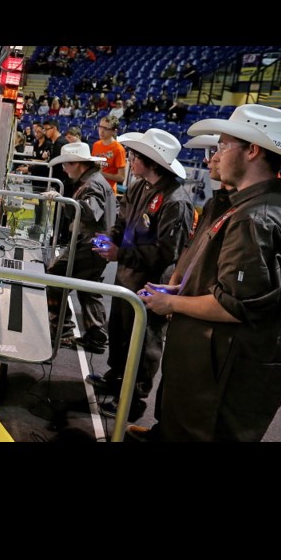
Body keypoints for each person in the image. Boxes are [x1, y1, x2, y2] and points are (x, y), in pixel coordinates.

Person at [138, 105, 281, 441]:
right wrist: (179, 291)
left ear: (252, 150)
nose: (216, 155)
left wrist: (172, 305)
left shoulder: (256, 218)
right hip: (212, 364)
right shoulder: (245, 207)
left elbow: (233, 304)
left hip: (224, 373)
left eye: (223, 145)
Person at [87, 128, 194, 421]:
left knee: (145, 344)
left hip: (151, 284)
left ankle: (134, 401)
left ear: (152, 162)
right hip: (126, 277)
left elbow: (166, 254)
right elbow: (121, 221)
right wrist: (110, 240)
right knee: (120, 333)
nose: (130, 161)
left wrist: (119, 253)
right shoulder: (138, 186)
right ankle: (115, 377)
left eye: (135, 157)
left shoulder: (176, 202)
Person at [43, 143, 116, 352]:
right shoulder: (93, 180)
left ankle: (63, 330)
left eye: (66, 165)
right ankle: (96, 336)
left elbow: (91, 213)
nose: (64, 170)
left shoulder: (92, 184)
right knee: (89, 289)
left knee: (55, 277)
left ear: (76, 164)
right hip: (96, 243)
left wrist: (63, 200)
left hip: (89, 243)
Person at [91, 115, 128, 193]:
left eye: (106, 129)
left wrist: (101, 174)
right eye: (100, 127)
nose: (101, 131)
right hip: (94, 187)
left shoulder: (119, 149)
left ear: (114, 131)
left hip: (108, 191)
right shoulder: (96, 145)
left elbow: (121, 177)